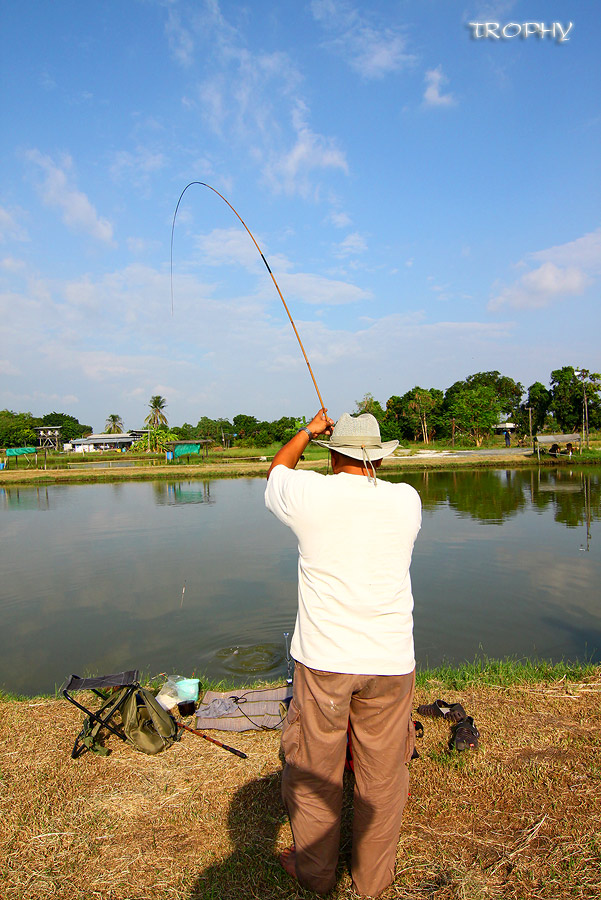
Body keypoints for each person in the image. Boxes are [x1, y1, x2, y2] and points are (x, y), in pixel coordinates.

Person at [265, 409, 422, 897]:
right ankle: (373, 880)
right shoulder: (408, 500)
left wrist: (310, 431)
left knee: (315, 767)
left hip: (325, 660)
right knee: (383, 772)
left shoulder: (311, 494)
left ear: (334, 452)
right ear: (376, 456)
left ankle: (315, 874)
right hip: (392, 662)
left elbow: (276, 471)